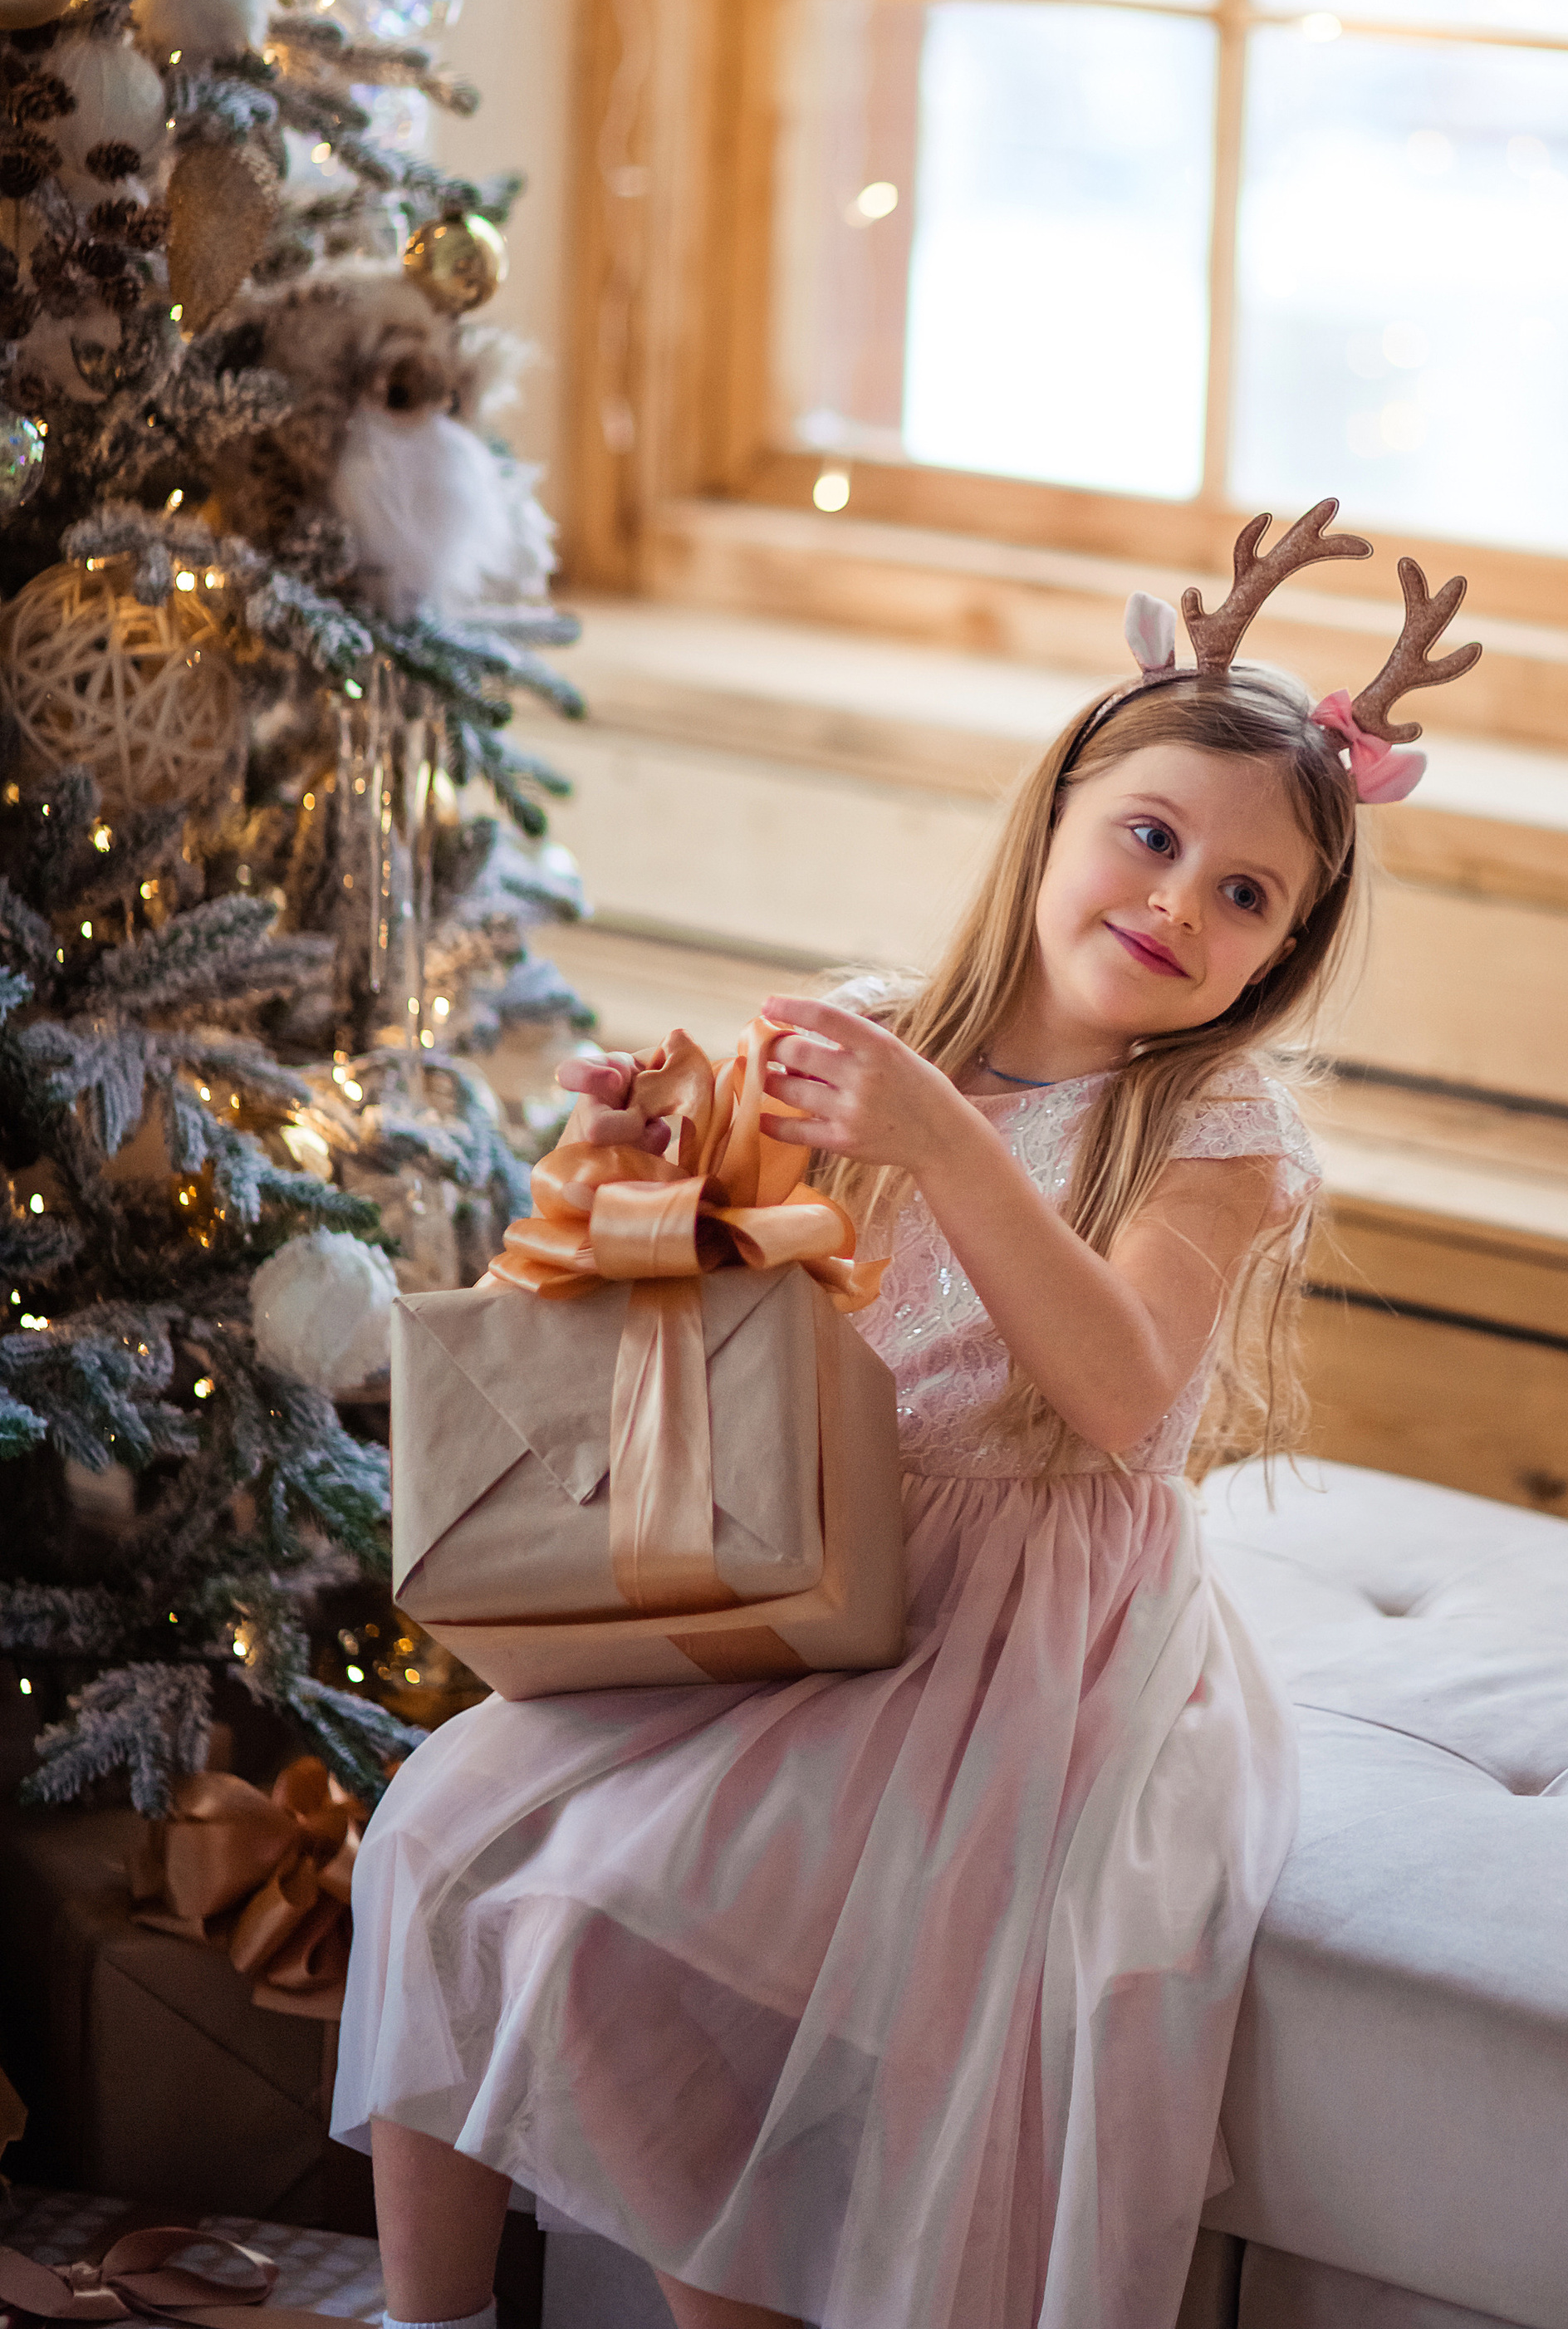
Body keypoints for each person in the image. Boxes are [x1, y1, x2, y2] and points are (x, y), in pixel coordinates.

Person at [334, 504, 1480, 2329]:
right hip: (804, 1546)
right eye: (1154, 837)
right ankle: (432, 2317)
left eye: (1246, 896)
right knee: (435, 1835)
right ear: (1056, 820)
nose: (1180, 904)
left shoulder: (1212, 1129)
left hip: (1019, 1626)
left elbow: (1121, 1391)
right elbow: (699, 1304)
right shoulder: (880, 1035)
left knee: (638, 1927)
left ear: (1277, 957)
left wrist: (939, 1139)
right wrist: (625, 1161)